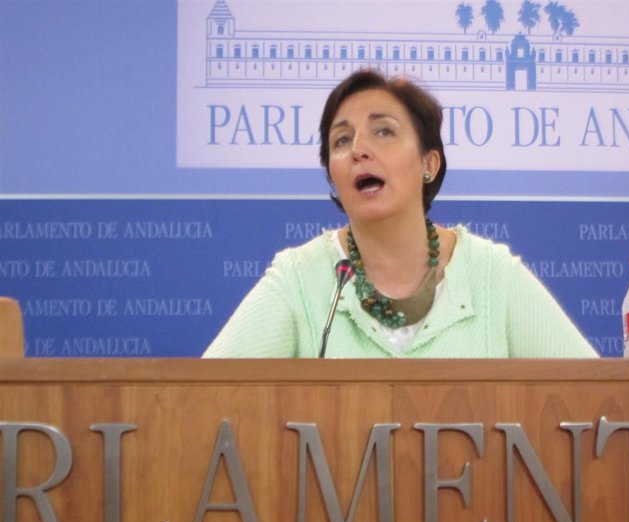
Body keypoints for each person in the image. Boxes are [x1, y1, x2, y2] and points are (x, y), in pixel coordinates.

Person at [204, 69, 597, 358]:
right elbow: (206, 398)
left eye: (384, 131)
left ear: (429, 163)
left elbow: (590, 398)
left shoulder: (492, 277)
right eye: (342, 140)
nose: (359, 150)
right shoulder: (300, 279)